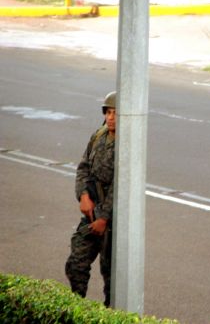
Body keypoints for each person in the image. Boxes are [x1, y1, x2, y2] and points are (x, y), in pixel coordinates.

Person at [65, 91, 116, 307]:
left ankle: (111, 316)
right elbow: (83, 168)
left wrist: (104, 218)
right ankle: (79, 310)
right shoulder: (98, 136)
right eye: (108, 112)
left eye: (117, 113)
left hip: (113, 221)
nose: (112, 117)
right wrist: (83, 196)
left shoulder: (128, 145)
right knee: (76, 263)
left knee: (112, 278)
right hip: (92, 211)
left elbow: (121, 186)